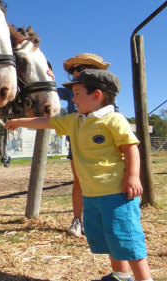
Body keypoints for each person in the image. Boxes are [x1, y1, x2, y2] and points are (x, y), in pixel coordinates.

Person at [5, 69, 153, 281]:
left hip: (117, 194)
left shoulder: (113, 120)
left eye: (77, 93)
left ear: (97, 95)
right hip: (92, 195)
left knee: (127, 240)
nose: (72, 98)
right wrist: (19, 121)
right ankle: (120, 276)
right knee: (110, 238)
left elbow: (131, 148)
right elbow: (45, 123)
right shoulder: (75, 120)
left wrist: (132, 176)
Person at [57, 53, 110, 237]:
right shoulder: (70, 91)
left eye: (81, 68)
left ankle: (101, 219)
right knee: (79, 180)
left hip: (102, 141)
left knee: (104, 179)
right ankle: (78, 220)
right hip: (78, 140)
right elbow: (52, 93)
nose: (76, 72)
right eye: (74, 69)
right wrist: (47, 79)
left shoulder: (104, 92)